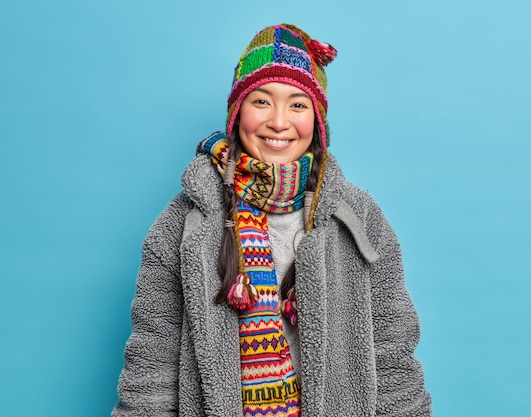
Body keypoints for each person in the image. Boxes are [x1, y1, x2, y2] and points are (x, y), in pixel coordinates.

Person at [112, 23, 432, 417]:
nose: (279, 122)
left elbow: (392, 358)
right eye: (261, 101)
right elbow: (152, 367)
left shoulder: (358, 217)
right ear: (236, 113)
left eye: (298, 105)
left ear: (317, 121)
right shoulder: (184, 224)